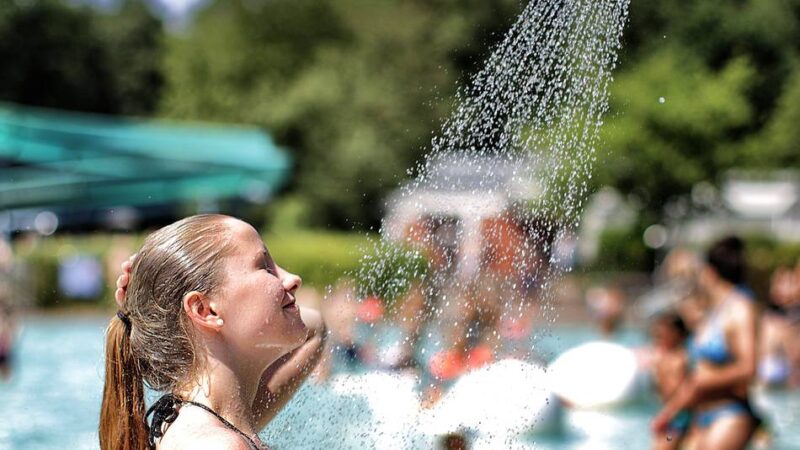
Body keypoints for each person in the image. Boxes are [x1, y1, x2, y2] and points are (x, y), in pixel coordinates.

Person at [100, 214, 326, 450]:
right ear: (204, 309)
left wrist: (152, 289)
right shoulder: (218, 444)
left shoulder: (224, 424)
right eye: (265, 267)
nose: (293, 279)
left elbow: (315, 330)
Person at [652, 236, 759, 449]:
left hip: (729, 414)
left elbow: (749, 367)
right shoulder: (713, 311)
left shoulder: (740, 308)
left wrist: (704, 381)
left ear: (710, 272)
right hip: (699, 415)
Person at [649, 312, 691, 450]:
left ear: (678, 334)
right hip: (669, 414)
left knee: (664, 445)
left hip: (679, 416)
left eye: (664, 335)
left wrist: (665, 415)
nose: (660, 339)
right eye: (658, 335)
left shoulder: (681, 358)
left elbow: (681, 392)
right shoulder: (662, 357)